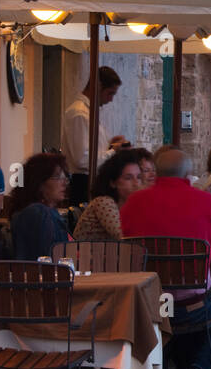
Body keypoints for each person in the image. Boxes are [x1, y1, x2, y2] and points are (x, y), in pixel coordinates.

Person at [120, 146, 211, 369]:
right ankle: (200, 368)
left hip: (148, 304)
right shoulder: (207, 202)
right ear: (189, 173)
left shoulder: (134, 203)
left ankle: (171, 367)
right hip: (193, 306)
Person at [61, 66, 126, 204]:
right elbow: (82, 159)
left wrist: (110, 145)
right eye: (110, 93)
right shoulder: (80, 114)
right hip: (83, 183)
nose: (111, 100)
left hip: (91, 181)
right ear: (98, 87)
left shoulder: (89, 113)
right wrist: (113, 151)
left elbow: (93, 150)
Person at [8, 153, 71, 261]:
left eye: (65, 177)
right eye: (57, 177)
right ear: (39, 182)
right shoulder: (38, 213)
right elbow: (47, 261)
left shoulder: (44, 212)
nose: (65, 183)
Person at [72, 151, 144, 242]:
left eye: (139, 177)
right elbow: (124, 237)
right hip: (84, 255)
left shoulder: (130, 205)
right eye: (128, 178)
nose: (136, 183)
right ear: (113, 182)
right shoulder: (103, 202)